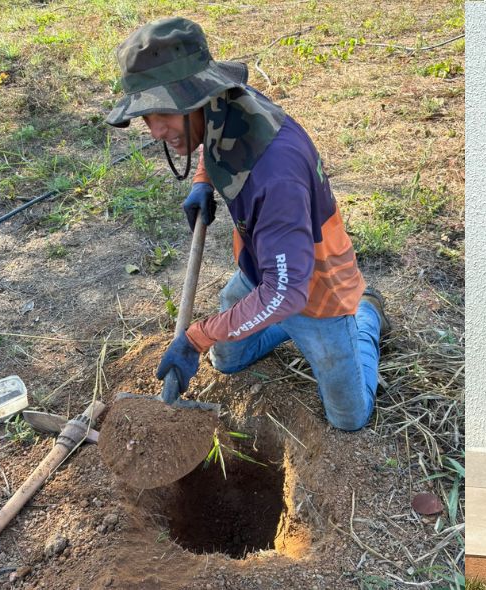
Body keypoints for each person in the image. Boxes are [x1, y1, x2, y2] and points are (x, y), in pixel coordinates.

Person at [106, 17, 389, 432]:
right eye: (146, 115)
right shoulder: (224, 105)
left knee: (349, 419)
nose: (156, 130)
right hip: (264, 269)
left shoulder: (276, 174)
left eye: (164, 111)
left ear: (196, 97)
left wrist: (196, 336)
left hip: (314, 290)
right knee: (227, 362)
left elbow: (289, 291)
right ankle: (282, 326)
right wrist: (203, 181)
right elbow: (215, 141)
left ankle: (365, 316)